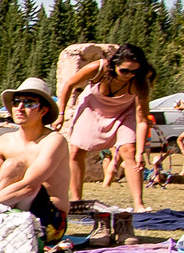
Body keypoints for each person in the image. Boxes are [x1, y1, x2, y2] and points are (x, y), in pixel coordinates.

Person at [0, 78, 73, 237]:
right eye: (16, 102)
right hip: (7, 213)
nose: (20, 108)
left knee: (14, 165)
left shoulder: (53, 141)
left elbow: (29, 187)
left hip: (49, 220)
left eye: (29, 103)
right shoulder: (3, 141)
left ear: (43, 110)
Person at [59, 42, 157, 211]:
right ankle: (76, 200)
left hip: (122, 112)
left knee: (129, 152)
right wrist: (61, 113)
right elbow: (69, 84)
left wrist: (140, 152)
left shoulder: (140, 82)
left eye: (134, 71)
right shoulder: (98, 68)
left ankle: (139, 204)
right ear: (114, 64)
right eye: (124, 71)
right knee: (76, 151)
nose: (129, 75)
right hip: (92, 107)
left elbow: (142, 120)